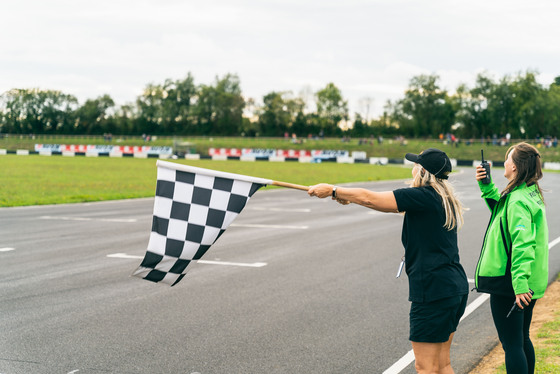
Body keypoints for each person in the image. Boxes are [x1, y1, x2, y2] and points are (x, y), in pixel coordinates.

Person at [308, 148, 468, 374]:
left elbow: (370, 197)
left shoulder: (422, 196)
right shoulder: (441, 198)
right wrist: (346, 197)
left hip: (433, 290)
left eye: (415, 165)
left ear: (422, 171)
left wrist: (333, 190)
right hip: (452, 288)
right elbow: (379, 203)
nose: (412, 168)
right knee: (443, 365)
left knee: (426, 367)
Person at [474, 142, 548, 374]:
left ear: (515, 167)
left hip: (511, 283)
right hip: (525, 281)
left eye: (507, 159)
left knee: (512, 344)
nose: (504, 162)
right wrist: (487, 187)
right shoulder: (528, 192)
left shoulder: (517, 200)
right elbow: (504, 216)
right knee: (521, 339)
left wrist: (519, 286)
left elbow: (522, 244)